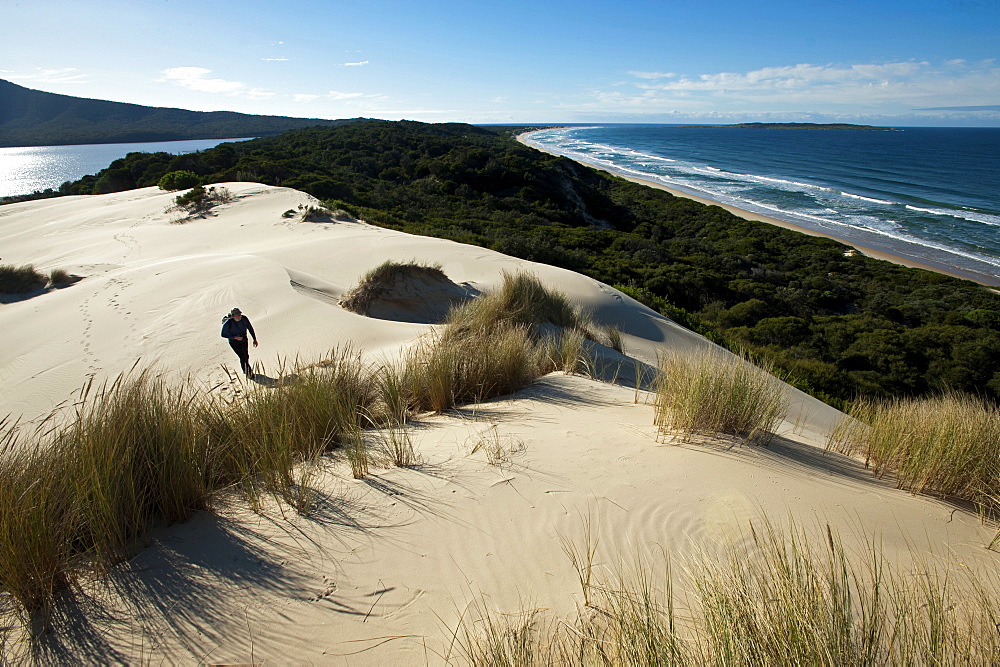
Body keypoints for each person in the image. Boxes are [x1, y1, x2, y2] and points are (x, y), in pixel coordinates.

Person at [221, 307, 259, 378]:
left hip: (244, 340)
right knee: (242, 356)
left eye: (239, 314)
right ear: (232, 316)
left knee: (246, 356)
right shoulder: (228, 323)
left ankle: (245, 370)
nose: (239, 316)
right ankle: (249, 373)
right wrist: (235, 337)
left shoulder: (244, 319)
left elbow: (250, 328)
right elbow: (223, 334)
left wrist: (254, 339)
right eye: (237, 315)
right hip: (234, 342)